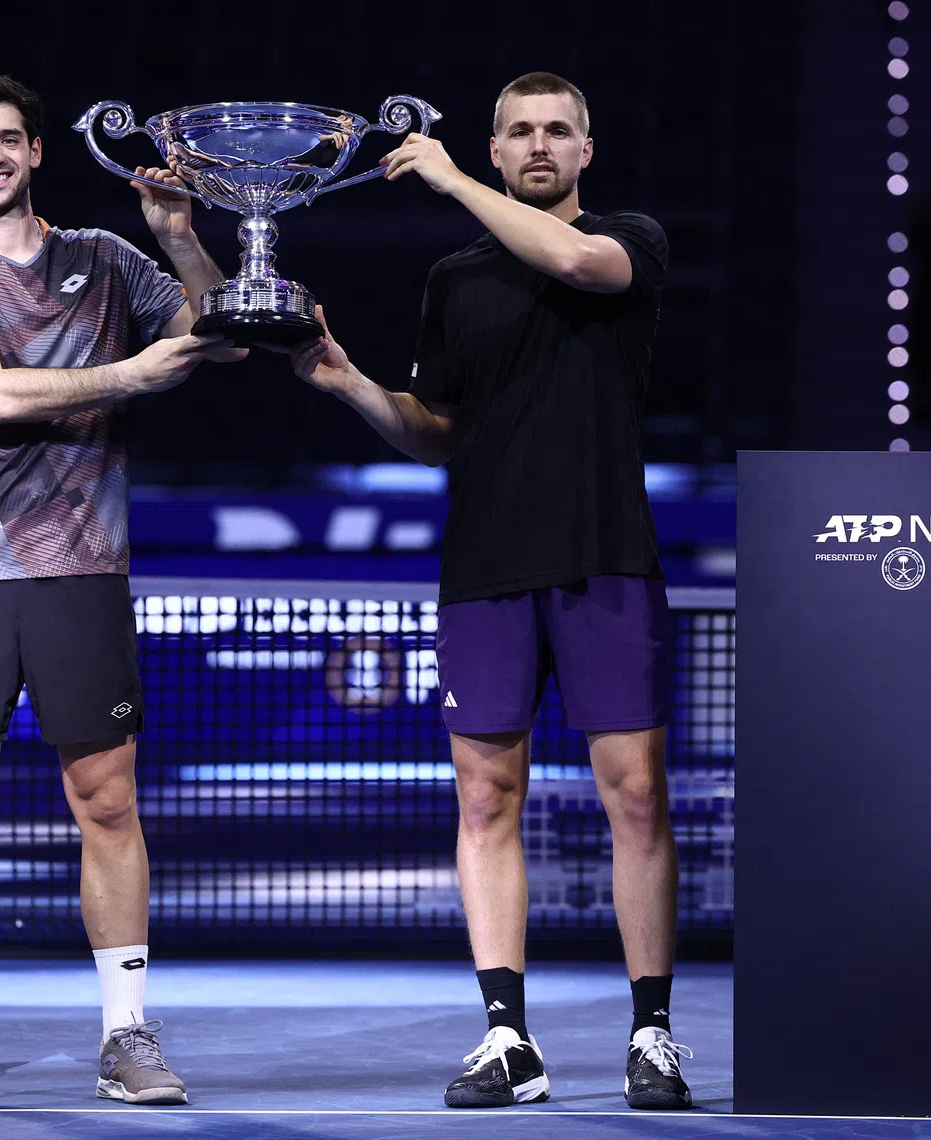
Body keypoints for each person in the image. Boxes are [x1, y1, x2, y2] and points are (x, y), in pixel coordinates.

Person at [272, 71, 690, 1110]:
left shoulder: (629, 238)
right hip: (485, 569)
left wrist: (452, 180)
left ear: (585, 151)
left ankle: (653, 1034)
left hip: (604, 554)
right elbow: (436, 434)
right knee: (485, 798)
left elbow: (579, 262)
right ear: (500, 148)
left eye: (558, 131)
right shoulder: (456, 279)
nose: (539, 144)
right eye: (520, 132)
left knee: (635, 798)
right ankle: (508, 1038)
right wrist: (354, 386)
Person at [0, 69, 241, 1106]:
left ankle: (127, 1036)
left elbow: (226, 325)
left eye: (8, 139)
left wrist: (179, 234)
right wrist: (133, 377)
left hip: (85, 570)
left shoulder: (106, 261)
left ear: (34, 153)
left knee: (106, 801)